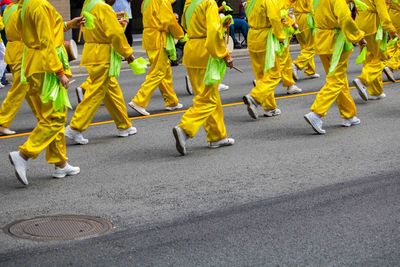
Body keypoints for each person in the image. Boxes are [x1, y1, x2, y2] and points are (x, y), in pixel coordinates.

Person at [9, 0, 82, 186]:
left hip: (34, 65)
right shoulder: (39, 5)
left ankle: (61, 163)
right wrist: (59, 72)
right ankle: (24, 154)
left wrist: (69, 24)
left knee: (48, 116)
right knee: (55, 117)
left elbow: (48, 31)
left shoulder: (25, 5)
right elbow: (46, 41)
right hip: (46, 67)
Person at [66, 0, 136, 145]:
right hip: (102, 55)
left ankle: (124, 125)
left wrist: (114, 20)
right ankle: (75, 127)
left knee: (112, 91)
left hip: (92, 52)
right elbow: (115, 34)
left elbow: (97, 25)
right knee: (95, 93)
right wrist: (128, 53)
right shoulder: (103, 7)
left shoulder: (89, 4)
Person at [172, 0, 234, 156]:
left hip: (192, 51)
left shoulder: (189, 4)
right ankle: (185, 129)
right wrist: (224, 54)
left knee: (207, 96)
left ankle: (217, 136)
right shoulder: (208, 3)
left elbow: (187, 25)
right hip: (205, 52)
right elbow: (213, 31)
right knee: (209, 99)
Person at [304, 0, 366, 134]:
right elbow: (345, 18)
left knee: (338, 79)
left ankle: (349, 114)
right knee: (336, 81)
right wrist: (359, 37)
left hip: (322, 39)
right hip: (335, 41)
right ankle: (316, 113)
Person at [128, 0, 185, 116]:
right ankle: (139, 101)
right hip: (158, 38)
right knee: (158, 71)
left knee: (164, 70)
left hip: (150, 37)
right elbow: (169, 21)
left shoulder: (146, 1)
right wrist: (180, 34)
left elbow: (156, 17)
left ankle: (172, 101)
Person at [242, 0, 286, 120]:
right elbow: (274, 18)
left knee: (261, 76)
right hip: (265, 38)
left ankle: (270, 107)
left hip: (252, 36)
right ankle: (255, 97)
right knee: (274, 75)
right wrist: (281, 36)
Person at [353, 0, 398, 101]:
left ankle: (375, 91)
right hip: (372, 25)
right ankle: (363, 80)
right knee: (381, 58)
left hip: (360, 24)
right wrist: (391, 30)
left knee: (369, 58)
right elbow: (383, 12)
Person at [291, 0, 320, 80]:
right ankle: (297, 64)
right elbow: (312, 7)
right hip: (306, 18)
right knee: (312, 46)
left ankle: (310, 71)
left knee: (305, 46)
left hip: (295, 18)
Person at [384, 1, 400, 77]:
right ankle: (391, 65)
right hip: (398, 13)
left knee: (395, 40)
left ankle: (382, 58)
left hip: (391, 13)